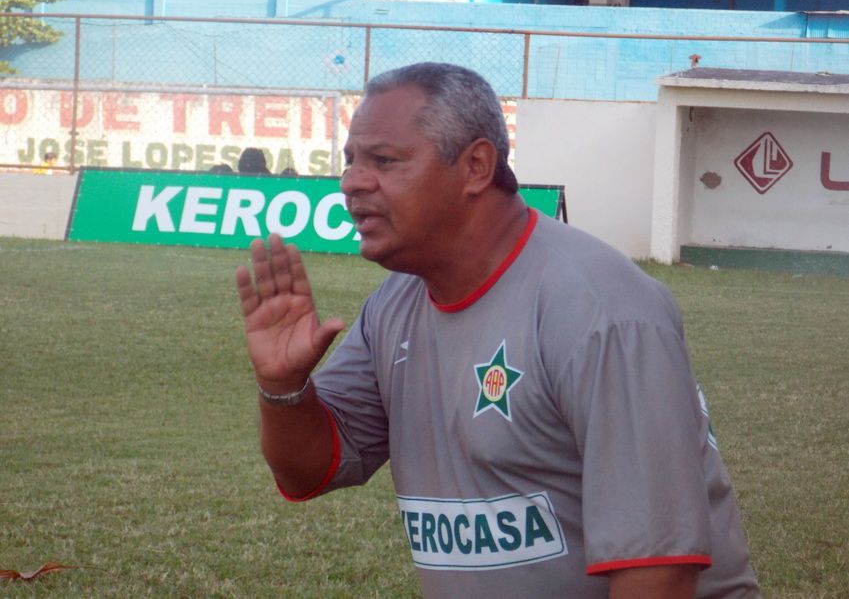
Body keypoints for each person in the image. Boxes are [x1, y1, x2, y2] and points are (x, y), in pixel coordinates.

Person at [235, 63, 761, 598]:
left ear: (476, 166)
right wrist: (284, 387)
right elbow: (308, 470)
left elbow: (658, 570)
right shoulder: (395, 305)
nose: (351, 181)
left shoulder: (602, 309)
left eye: (384, 161)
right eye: (350, 161)